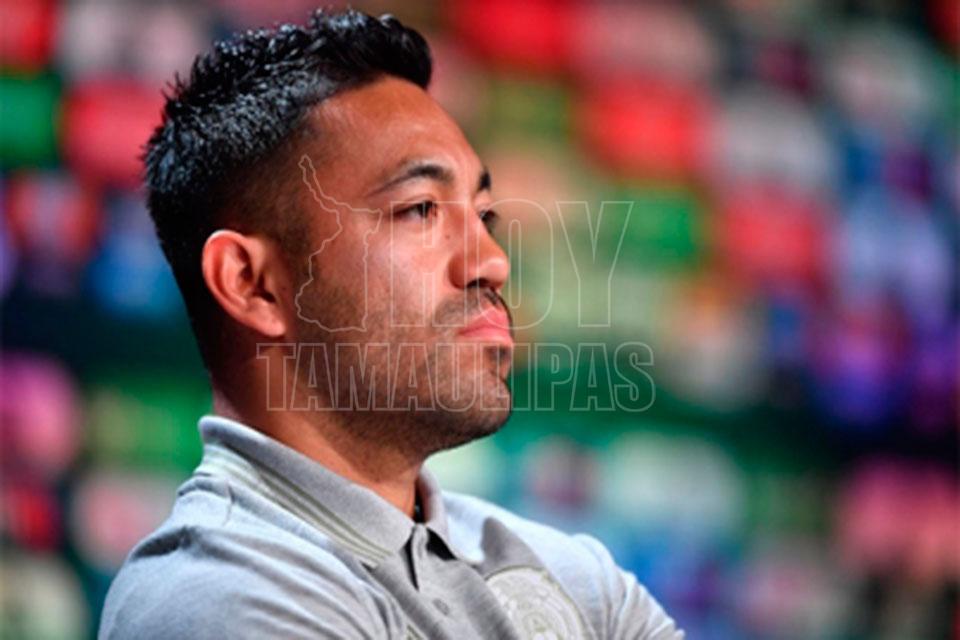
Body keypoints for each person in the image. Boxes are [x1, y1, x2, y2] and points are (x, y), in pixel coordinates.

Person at [98, 9, 684, 640]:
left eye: (483, 216)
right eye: (421, 209)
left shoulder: (577, 579)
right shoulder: (219, 596)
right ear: (251, 283)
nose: (492, 262)